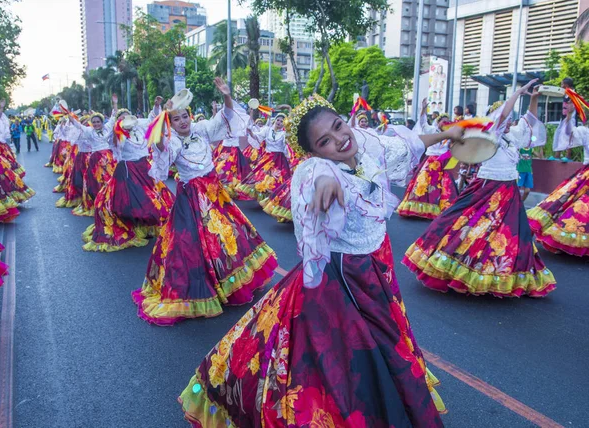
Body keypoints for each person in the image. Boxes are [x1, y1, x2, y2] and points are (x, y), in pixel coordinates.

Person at [178, 94, 460, 426]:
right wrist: (327, 181)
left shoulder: (366, 148)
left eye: (339, 127)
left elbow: (406, 145)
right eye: (325, 141)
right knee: (351, 358)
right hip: (341, 278)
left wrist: (447, 134)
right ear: (314, 151)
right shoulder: (315, 169)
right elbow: (314, 176)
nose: (340, 139)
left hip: (375, 267)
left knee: (384, 342)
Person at [131, 78, 278, 325]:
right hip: (191, 199)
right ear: (171, 123)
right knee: (190, 244)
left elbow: (226, 116)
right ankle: (198, 290)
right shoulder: (174, 142)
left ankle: (228, 284)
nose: (183, 121)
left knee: (230, 236)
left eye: (185, 116)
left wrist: (227, 95)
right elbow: (159, 144)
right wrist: (162, 117)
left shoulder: (201, 131)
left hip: (215, 194)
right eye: (176, 119)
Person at [404, 80, 556, 298]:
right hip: (487, 187)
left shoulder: (514, 137)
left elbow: (530, 120)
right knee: (469, 227)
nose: (509, 118)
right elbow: (502, 116)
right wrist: (518, 93)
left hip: (509, 190)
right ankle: (455, 266)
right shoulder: (491, 134)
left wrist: (533, 99)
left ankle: (502, 274)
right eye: (504, 114)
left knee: (512, 234)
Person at [82, 98, 175, 252]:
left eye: (127, 116)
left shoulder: (140, 127)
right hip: (128, 170)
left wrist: (159, 106)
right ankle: (134, 225)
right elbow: (114, 142)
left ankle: (146, 225)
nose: (124, 119)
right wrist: (117, 128)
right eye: (121, 118)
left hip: (145, 168)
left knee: (154, 199)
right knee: (133, 201)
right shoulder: (118, 134)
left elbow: (154, 119)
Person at [527, 90, 589, 256]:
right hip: (586, 177)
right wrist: (569, 116)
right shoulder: (585, 131)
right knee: (577, 208)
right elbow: (569, 135)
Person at [398, 99, 457, 220]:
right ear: (438, 122)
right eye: (443, 122)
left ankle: (442, 209)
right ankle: (420, 208)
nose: (445, 124)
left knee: (444, 186)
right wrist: (423, 109)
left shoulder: (450, 135)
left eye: (447, 122)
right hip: (430, 162)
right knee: (423, 183)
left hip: (443, 163)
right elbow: (423, 123)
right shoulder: (432, 131)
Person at [68, 95, 119, 217]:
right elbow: (77, 125)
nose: (96, 124)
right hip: (96, 159)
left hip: (109, 158)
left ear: (102, 122)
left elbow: (113, 116)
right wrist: (69, 115)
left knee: (111, 180)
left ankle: (111, 202)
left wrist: (115, 104)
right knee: (97, 181)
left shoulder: (107, 128)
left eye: (98, 122)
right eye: (94, 122)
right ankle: (100, 202)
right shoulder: (89, 131)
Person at [235, 111, 291, 201]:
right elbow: (257, 137)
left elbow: (287, 146)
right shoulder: (267, 130)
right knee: (261, 176)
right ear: (275, 120)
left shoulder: (284, 135)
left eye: (282, 121)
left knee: (276, 178)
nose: (279, 122)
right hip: (267, 157)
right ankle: (263, 196)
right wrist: (250, 132)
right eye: (278, 120)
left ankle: (271, 199)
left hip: (279, 159)